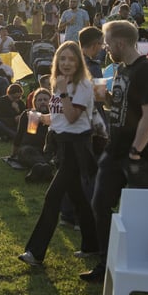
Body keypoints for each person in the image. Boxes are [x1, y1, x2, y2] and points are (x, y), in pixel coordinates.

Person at [81, 21, 148, 283]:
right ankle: (106, 263)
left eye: (107, 42)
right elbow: (124, 106)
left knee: (141, 211)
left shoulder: (147, 70)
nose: (104, 47)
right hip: (114, 150)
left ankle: (146, 264)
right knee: (100, 203)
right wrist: (104, 97)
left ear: (119, 43)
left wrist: (136, 152)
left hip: (138, 155)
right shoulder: (121, 69)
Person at [18, 41, 98, 267]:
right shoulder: (59, 83)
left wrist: (62, 91)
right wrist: (42, 118)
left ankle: (35, 252)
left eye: (71, 59)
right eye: (62, 59)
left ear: (78, 62)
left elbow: (73, 117)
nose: (66, 63)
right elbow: (59, 116)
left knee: (52, 197)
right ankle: (93, 245)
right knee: (79, 198)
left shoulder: (81, 86)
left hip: (77, 146)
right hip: (62, 144)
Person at [10, 88, 52, 168]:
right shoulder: (27, 114)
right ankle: (44, 165)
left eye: (45, 100)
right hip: (29, 147)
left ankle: (43, 165)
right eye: (40, 100)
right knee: (26, 151)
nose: (43, 102)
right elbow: (19, 135)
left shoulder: (54, 116)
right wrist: (13, 154)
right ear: (35, 103)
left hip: (46, 149)